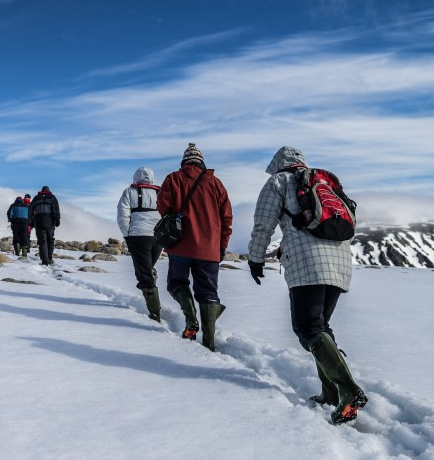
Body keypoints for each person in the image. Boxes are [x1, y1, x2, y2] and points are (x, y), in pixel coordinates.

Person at [246, 146, 368, 425]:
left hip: (306, 263)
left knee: (307, 327)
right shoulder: (323, 181)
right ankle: (331, 393)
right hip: (340, 262)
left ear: (278, 163)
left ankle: (348, 391)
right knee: (321, 326)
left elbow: (263, 224)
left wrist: (255, 259)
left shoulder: (278, 181)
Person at [157, 143, 233, 350]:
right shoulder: (217, 184)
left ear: (184, 161)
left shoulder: (173, 179)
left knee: (176, 283)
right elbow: (227, 219)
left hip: (180, 246)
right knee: (208, 292)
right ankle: (209, 343)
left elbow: (163, 208)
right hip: (209, 250)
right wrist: (222, 246)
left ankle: (191, 320)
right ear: (201, 162)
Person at [117, 166, 163, 322]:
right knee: (148, 268)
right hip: (158, 237)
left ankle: (155, 315)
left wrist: (126, 235)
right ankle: (154, 305)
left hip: (138, 236)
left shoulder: (129, 192)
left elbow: (123, 215)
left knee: (144, 274)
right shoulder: (160, 192)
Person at [29, 186, 60, 266]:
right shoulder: (52, 197)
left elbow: (30, 210)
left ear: (41, 191)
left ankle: (45, 261)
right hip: (50, 222)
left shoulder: (36, 198)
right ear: (49, 191)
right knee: (50, 241)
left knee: (42, 242)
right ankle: (49, 259)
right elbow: (56, 209)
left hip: (39, 222)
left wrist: (31, 222)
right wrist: (57, 220)